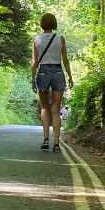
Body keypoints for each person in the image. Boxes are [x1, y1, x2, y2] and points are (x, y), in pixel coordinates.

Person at [31, 13, 73, 153]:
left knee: (44, 108)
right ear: (54, 23)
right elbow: (65, 60)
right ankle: (56, 144)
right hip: (57, 72)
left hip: (42, 72)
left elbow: (35, 62)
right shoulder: (60, 39)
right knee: (56, 108)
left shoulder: (36, 40)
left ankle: (45, 140)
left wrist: (32, 79)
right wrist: (70, 76)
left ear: (41, 24)